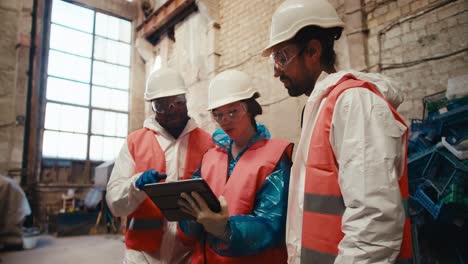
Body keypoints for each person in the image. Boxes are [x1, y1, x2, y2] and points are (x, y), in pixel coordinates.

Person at [262, 0, 413, 263]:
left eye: (282, 57)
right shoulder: (321, 108)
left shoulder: (353, 103)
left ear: (312, 50)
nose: (277, 71)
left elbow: (374, 223)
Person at [176, 69, 293, 263]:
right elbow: (189, 214)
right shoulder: (210, 157)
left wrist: (225, 230)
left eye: (233, 111)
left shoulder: (275, 157)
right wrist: (189, 218)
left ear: (251, 108)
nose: (225, 120)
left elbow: (272, 224)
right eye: (218, 114)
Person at [106, 68, 213, 264]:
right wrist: (136, 184)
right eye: (162, 105)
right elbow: (114, 203)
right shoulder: (135, 142)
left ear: (185, 100)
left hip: (189, 253)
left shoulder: (207, 143)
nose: (171, 109)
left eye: (177, 102)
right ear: (152, 107)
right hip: (142, 255)